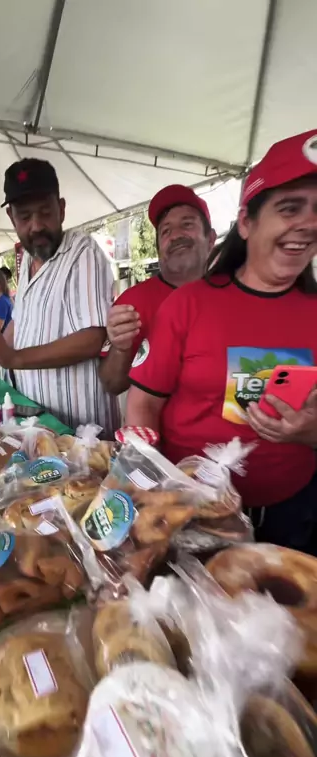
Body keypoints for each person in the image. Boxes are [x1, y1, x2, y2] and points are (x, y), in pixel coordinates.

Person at [127, 128, 317, 553]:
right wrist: (149, 489)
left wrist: (312, 433)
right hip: (192, 511)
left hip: (293, 512)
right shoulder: (188, 304)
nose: (308, 223)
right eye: (290, 208)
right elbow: (143, 404)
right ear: (246, 222)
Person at [0, 158, 120, 435]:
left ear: (61, 209)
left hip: (82, 430)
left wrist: (14, 358)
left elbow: (92, 338)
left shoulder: (82, 252)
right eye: (25, 217)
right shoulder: (28, 259)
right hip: (38, 421)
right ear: (12, 219)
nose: (37, 226)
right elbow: (21, 319)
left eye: (45, 213)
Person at [99, 186, 216, 395]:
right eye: (166, 231)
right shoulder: (132, 302)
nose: (176, 235)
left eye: (187, 224)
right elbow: (112, 384)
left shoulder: (233, 294)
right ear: (159, 249)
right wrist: (121, 347)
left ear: (211, 239)